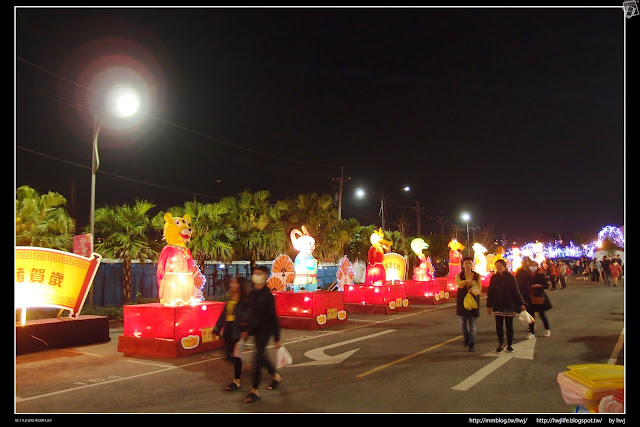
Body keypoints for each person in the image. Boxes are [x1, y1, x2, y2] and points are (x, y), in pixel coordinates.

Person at [244, 265, 282, 403]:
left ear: (265, 277)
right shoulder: (253, 293)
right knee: (262, 356)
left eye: (259, 273)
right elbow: (249, 313)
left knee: (258, 358)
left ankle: (254, 390)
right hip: (255, 329)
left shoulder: (268, 296)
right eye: (255, 273)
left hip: (265, 331)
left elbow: (273, 317)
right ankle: (275, 376)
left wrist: (277, 337)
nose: (256, 275)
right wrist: (246, 331)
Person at [213, 276, 252, 392]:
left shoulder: (245, 301)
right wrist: (216, 328)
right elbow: (224, 315)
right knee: (227, 355)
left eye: (235, 283)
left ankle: (236, 381)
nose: (232, 284)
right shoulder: (230, 299)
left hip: (239, 331)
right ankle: (242, 365)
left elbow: (249, 317)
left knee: (236, 356)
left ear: (240, 285)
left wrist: (246, 330)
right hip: (229, 330)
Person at [486, 259, 526, 353]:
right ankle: (500, 344)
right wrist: (489, 306)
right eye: (497, 266)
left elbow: (516, 291)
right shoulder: (494, 278)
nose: (498, 267)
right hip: (498, 304)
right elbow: (490, 292)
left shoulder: (511, 277)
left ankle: (509, 345)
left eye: (500, 265)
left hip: (509, 304)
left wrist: (521, 304)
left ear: (505, 266)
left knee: (509, 326)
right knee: (499, 326)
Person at [455, 256, 482, 352]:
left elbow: (479, 290)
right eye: (466, 263)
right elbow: (458, 284)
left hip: (473, 302)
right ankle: (466, 338)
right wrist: (467, 282)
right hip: (462, 302)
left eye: (470, 263)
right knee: (463, 324)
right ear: (463, 265)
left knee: (473, 325)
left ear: (472, 264)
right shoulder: (459, 275)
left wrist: (473, 290)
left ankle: (471, 344)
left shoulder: (477, 276)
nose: (468, 265)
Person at [525, 261, 551, 339]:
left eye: (534, 266)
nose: (532, 267)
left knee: (542, 315)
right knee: (531, 316)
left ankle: (547, 329)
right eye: (531, 266)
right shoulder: (528, 276)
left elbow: (546, 286)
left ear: (537, 266)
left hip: (540, 297)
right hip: (530, 297)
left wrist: (539, 285)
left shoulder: (540, 275)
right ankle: (531, 332)